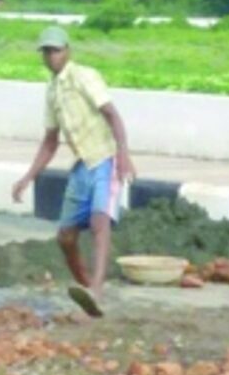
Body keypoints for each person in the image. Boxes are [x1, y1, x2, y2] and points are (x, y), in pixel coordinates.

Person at [12, 26, 136, 317]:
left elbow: (112, 115)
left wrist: (124, 154)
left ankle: (96, 289)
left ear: (67, 51)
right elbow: (50, 141)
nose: (51, 57)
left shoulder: (85, 77)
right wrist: (28, 177)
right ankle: (86, 291)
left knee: (99, 222)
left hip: (104, 159)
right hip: (82, 164)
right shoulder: (53, 91)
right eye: (46, 52)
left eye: (55, 50)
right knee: (65, 237)